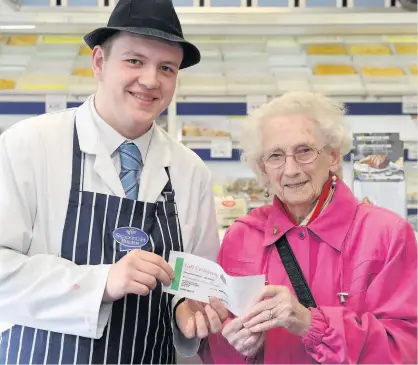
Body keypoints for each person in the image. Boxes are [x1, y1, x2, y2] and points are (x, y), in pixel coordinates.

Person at [0, 0, 226, 364]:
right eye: (135, 61)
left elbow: (192, 282)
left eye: (166, 67)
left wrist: (187, 309)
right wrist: (100, 282)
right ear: (99, 62)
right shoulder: (29, 145)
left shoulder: (190, 171)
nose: (151, 80)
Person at [199, 91, 417, 364]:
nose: (291, 170)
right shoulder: (241, 236)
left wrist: (309, 323)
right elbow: (215, 350)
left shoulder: (386, 234)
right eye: (276, 155)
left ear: (334, 157)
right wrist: (236, 344)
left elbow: (404, 349)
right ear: (263, 169)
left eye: (304, 151)